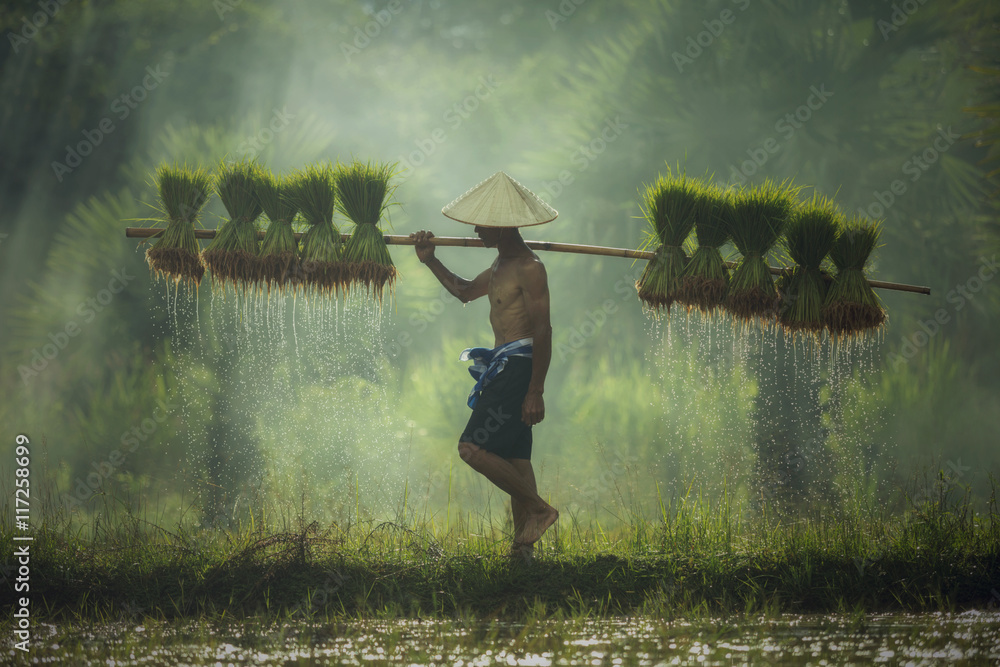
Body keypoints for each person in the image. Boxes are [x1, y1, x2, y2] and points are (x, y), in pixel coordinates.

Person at [410, 172, 560, 561]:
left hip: (518, 366)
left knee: (471, 448)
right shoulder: (499, 265)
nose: (475, 229)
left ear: (503, 225)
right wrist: (430, 261)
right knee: (516, 459)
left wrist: (535, 390)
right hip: (504, 364)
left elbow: (543, 330)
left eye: (482, 223)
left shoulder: (529, 267)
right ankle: (521, 552)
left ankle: (541, 510)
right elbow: (462, 291)